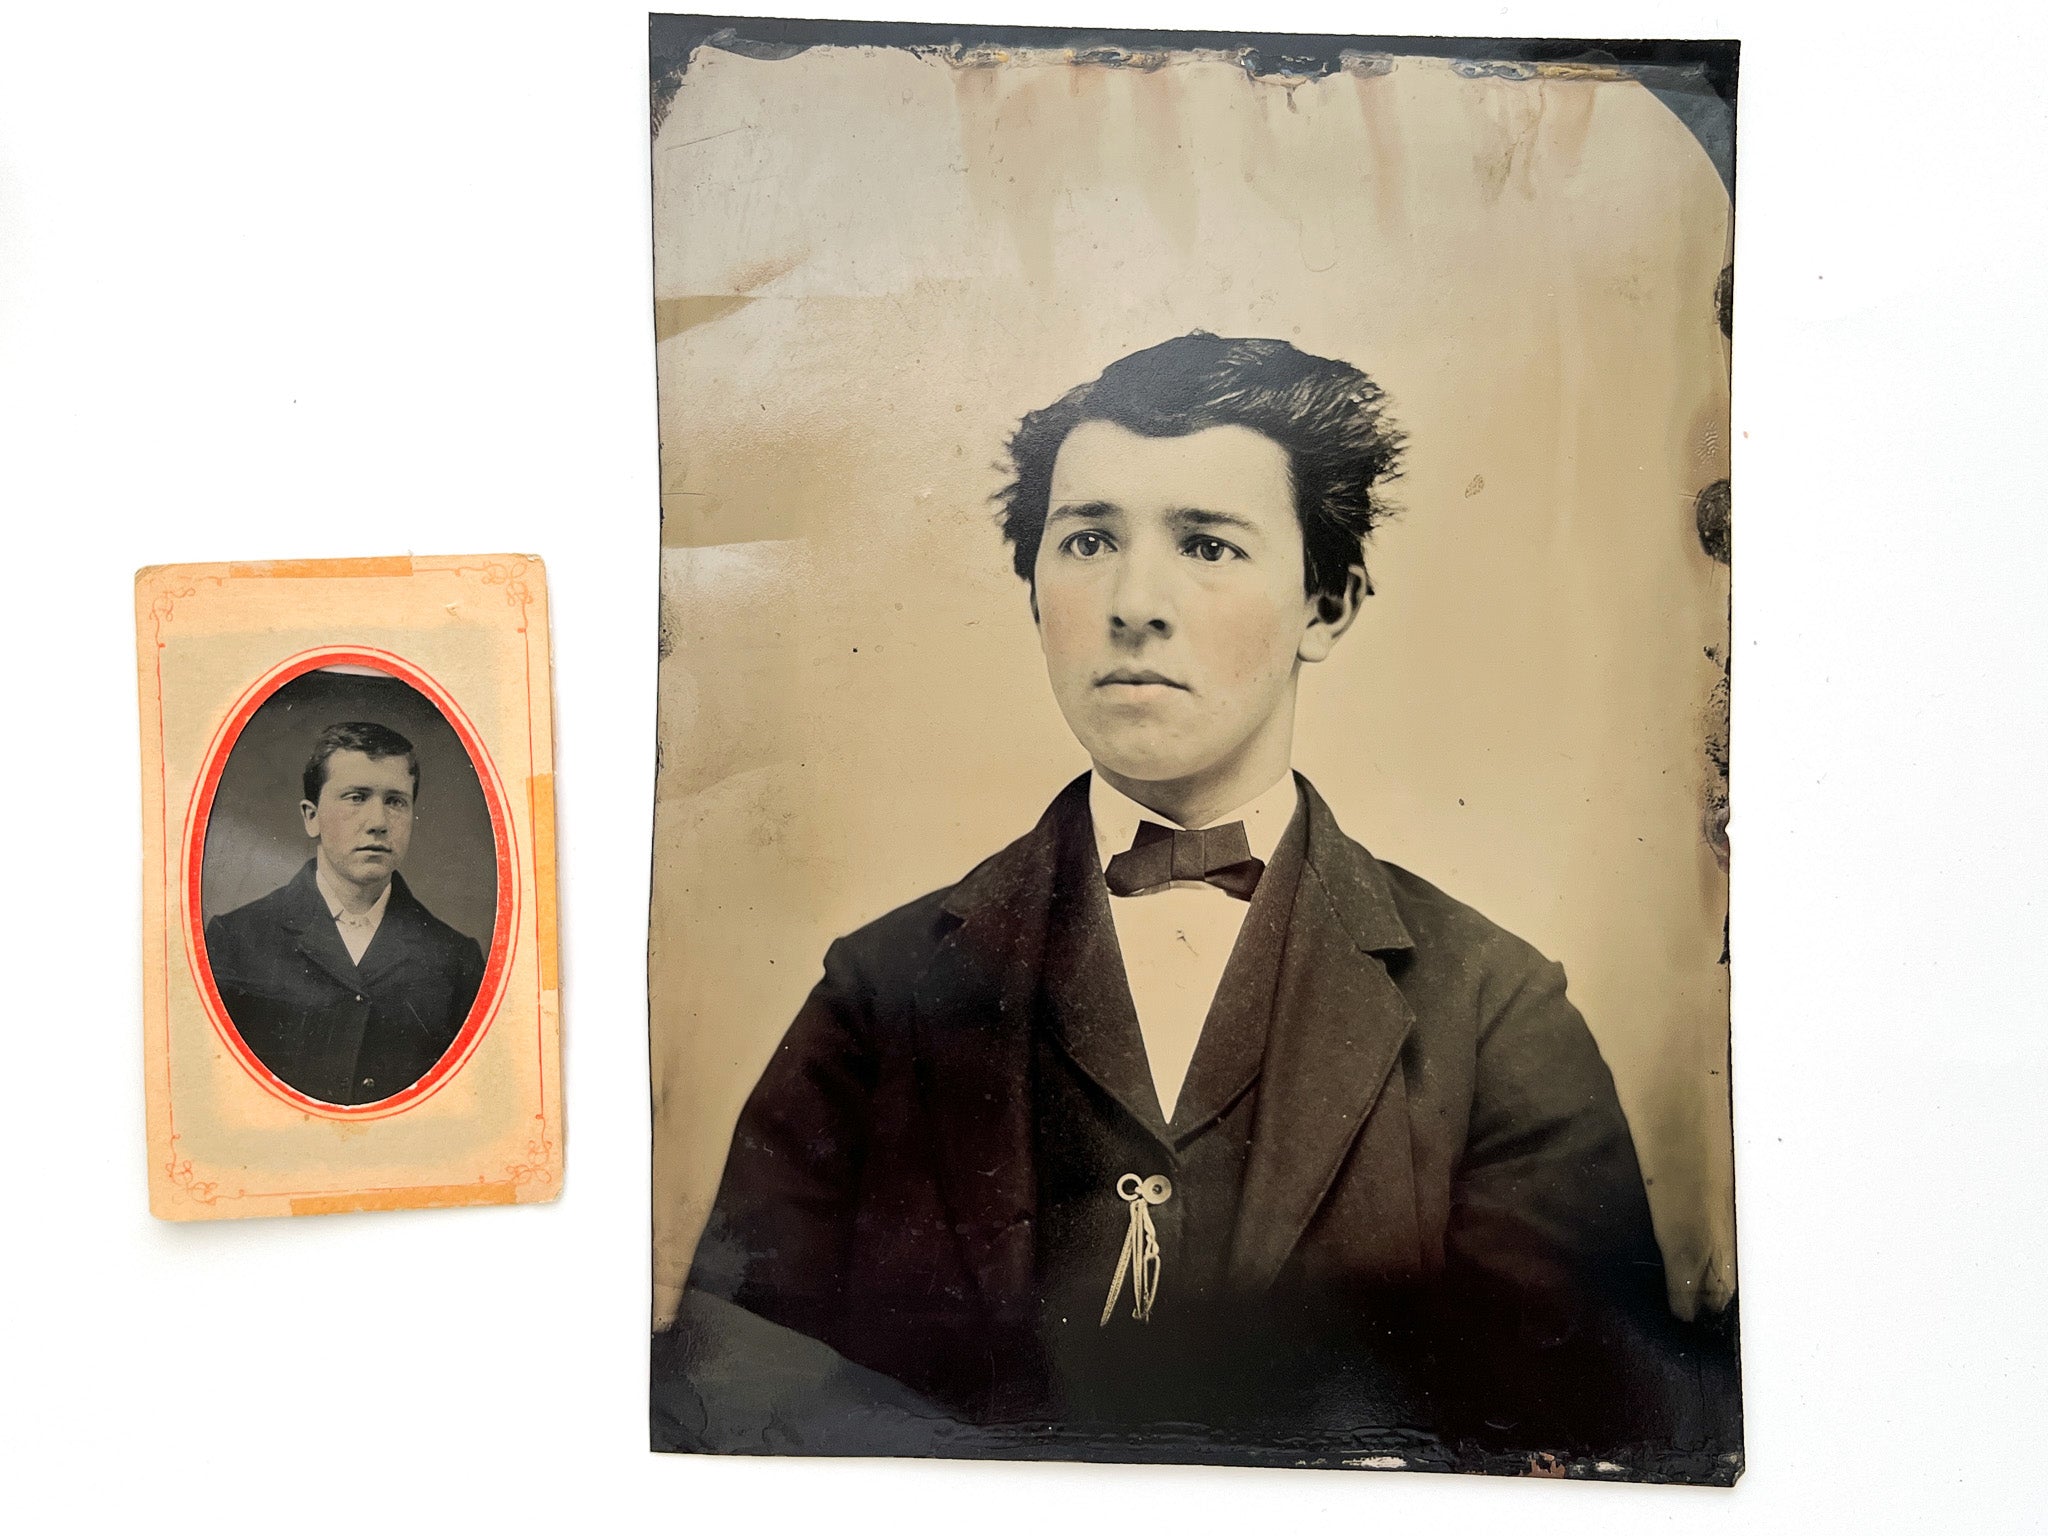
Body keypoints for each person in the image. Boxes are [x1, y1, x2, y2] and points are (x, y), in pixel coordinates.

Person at [666, 334, 1691, 1463]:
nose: (1132, 603)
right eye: (1089, 540)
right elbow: (731, 1391)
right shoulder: (879, 993)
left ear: (1329, 604)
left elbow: (1586, 1432)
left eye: (1206, 543)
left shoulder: (1491, 1011)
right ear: (1032, 591)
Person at [203, 721, 485, 1107]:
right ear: (311, 816)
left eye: (396, 801)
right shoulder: (236, 940)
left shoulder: (456, 959)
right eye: (356, 797)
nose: (378, 823)